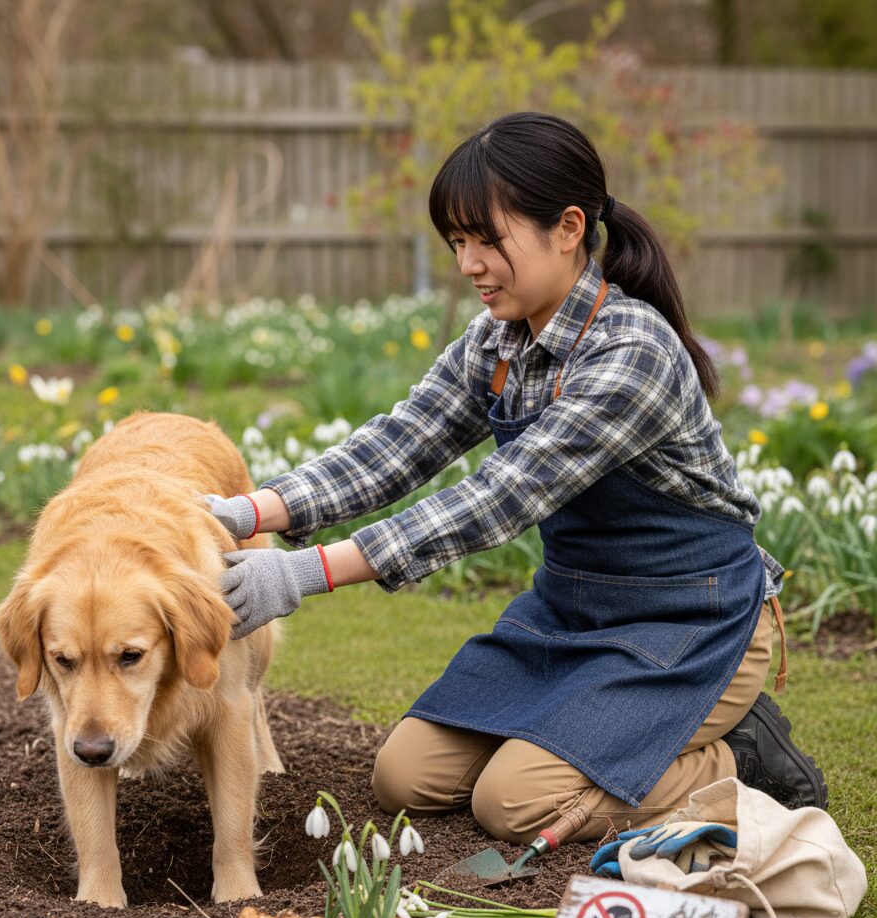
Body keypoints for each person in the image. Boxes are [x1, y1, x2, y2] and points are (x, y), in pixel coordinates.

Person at [205, 112, 826, 848]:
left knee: (513, 801)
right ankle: (596, 739)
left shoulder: (632, 353)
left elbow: (499, 498)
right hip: (573, 615)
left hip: (690, 622)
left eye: (487, 239)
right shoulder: (495, 342)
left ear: (568, 228)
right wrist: (244, 512)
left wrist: (304, 573)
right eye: (458, 242)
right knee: (405, 777)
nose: (469, 263)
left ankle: (739, 760)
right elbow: (397, 446)